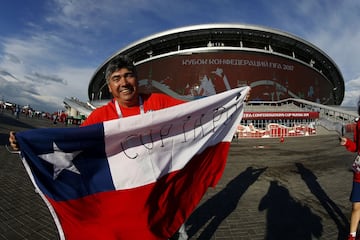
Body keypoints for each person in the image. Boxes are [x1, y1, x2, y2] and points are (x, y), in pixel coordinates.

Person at [9, 55, 188, 239]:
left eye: (128, 75)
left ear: (137, 79)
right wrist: (25, 143)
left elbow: (197, 113)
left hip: (160, 194)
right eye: (116, 79)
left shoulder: (159, 103)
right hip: (125, 195)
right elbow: (72, 144)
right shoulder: (100, 117)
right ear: (110, 87)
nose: (124, 83)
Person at [340, 97, 360, 240]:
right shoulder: (359, 124)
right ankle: (352, 236)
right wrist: (347, 142)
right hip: (359, 174)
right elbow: (356, 148)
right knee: (356, 207)